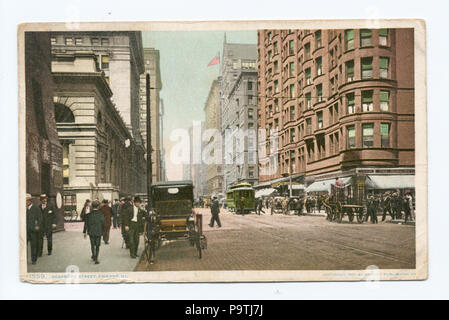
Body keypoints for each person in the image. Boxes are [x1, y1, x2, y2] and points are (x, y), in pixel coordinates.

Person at [83, 200, 104, 264]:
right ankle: (96, 258)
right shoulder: (101, 214)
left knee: (92, 244)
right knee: (97, 245)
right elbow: (103, 223)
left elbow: (86, 223)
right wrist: (102, 231)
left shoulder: (88, 214)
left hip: (91, 232)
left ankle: (93, 255)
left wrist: (84, 232)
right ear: (98, 206)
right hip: (98, 231)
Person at [26, 194, 42, 265]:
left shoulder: (36, 208)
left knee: (33, 245)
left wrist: (37, 226)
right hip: (25, 230)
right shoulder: (23, 209)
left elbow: (40, 218)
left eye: (25, 201)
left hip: (33, 230)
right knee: (23, 245)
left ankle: (33, 260)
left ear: (29, 201)